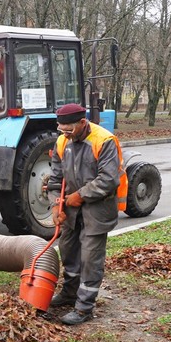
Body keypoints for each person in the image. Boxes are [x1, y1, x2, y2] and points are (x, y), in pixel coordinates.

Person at [47, 103, 127, 325]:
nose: (65, 134)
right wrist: (55, 206)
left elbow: (108, 179)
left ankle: (84, 308)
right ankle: (70, 293)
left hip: (98, 210)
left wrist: (80, 195)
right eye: (61, 130)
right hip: (71, 211)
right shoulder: (62, 142)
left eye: (69, 130)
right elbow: (55, 180)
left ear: (83, 123)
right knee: (68, 252)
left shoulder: (104, 141)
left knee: (90, 258)